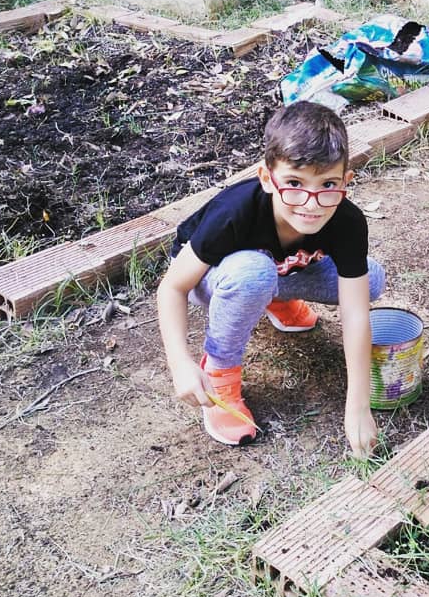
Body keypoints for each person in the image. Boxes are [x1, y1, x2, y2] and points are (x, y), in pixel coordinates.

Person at [157, 101, 384, 458]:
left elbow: (356, 313)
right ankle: (220, 373)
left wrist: (358, 406)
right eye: (294, 183)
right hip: (215, 273)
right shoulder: (234, 212)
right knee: (253, 274)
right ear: (267, 178)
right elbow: (173, 286)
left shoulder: (346, 219)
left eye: (327, 184)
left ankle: (273, 298)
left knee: (370, 280)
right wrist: (179, 362)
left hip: (278, 266)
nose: (311, 204)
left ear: (346, 182)